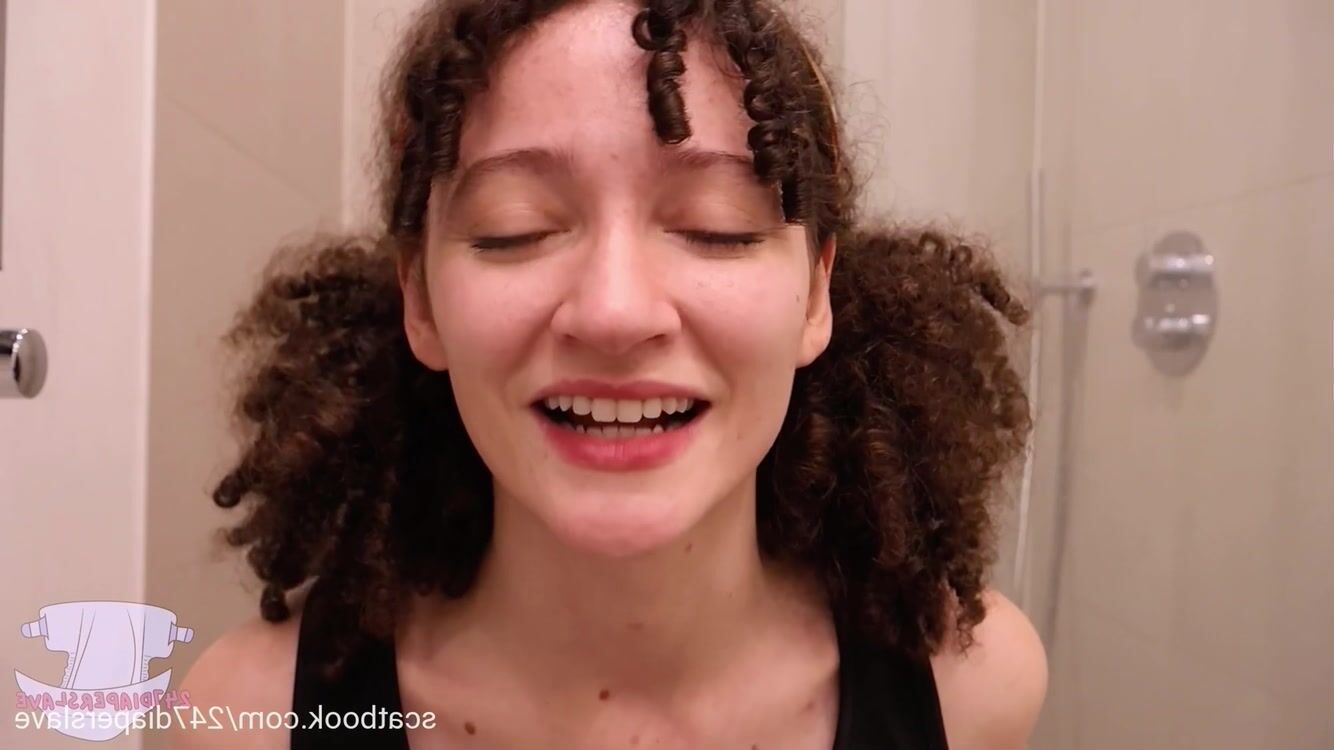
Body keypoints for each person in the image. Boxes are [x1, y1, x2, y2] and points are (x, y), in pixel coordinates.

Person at [171, 0, 1047, 748]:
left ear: (815, 295)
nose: (615, 311)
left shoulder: (974, 687)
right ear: (422, 301)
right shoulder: (251, 717)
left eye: (717, 226)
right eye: (514, 229)